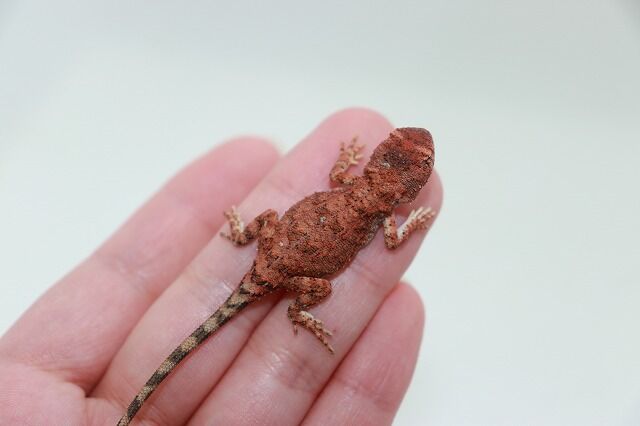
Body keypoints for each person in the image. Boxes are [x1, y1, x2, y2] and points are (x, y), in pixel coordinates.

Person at [0, 108, 443, 425]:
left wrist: (347, 159)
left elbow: (338, 176)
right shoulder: (384, 218)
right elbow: (393, 241)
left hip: (276, 252)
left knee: (270, 220)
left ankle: (247, 240)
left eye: (419, 162)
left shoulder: (352, 186)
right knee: (321, 289)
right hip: (284, 269)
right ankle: (297, 309)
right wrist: (415, 224)